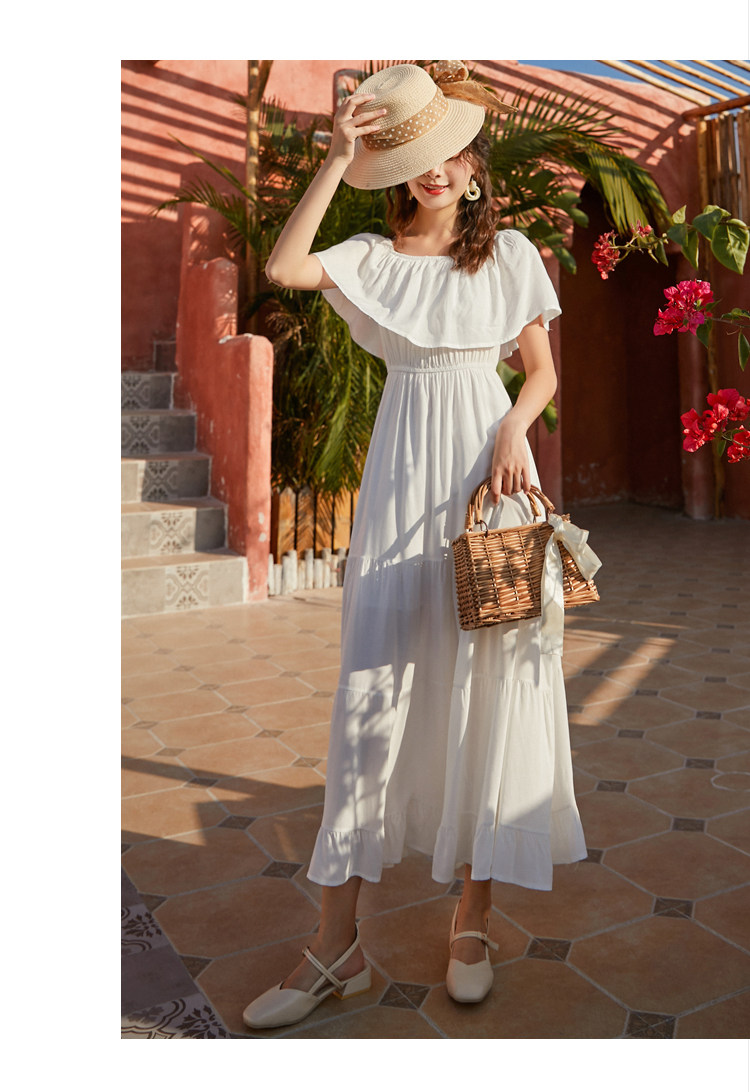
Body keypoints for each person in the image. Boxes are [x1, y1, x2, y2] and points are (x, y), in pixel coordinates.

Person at [243, 61, 587, 1031]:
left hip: (491, 478)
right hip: (401, 486)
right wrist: (335, 160)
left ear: (475, 168)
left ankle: (472, 924)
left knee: (491, 685)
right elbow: (283, 269)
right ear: (397, 173)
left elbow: (541, 373)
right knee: (372, 696)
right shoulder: (372, 256)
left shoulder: (509, 254)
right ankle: (335, 948)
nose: (436, 170)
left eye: (449, 153)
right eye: (415, 157)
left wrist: (515, 428)